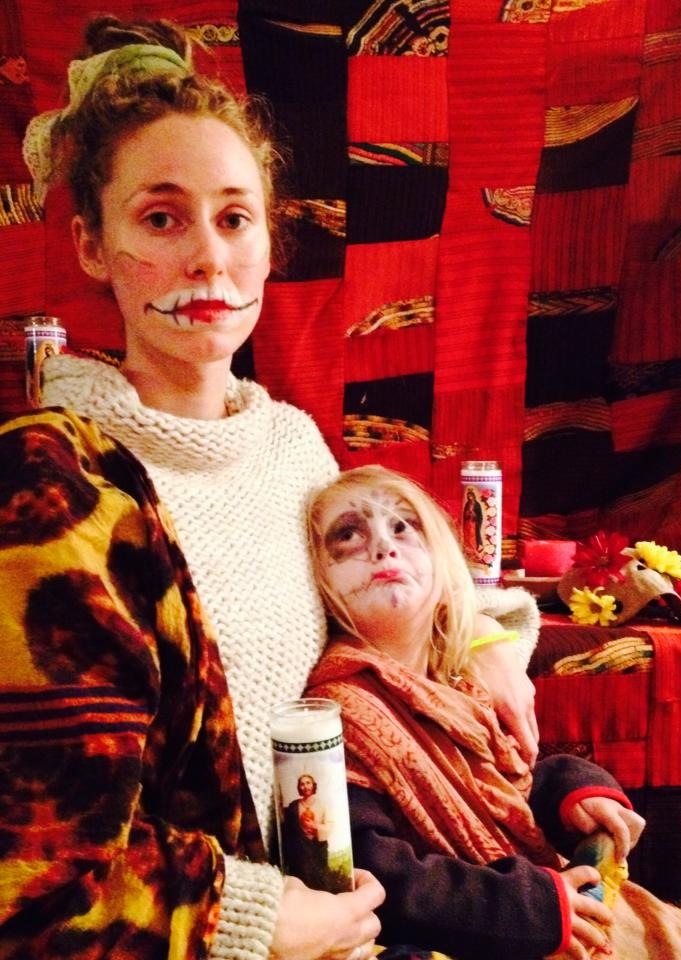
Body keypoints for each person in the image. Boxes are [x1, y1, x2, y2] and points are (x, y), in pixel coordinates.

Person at [1, 14, 536, 959]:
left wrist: (487, 643)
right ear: (90, 245)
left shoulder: (292, 447)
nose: (208, 257)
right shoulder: (55, 482)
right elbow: (35, 875)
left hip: (361, 906)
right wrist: (253, 919)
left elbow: (389, 595)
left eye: (234, 218)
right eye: (161, 218)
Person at [305, 465, 681, 960]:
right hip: (478, 932)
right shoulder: (343, 713)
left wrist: (573, 794)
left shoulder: (459, 676)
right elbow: (373, 870)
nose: (382, 547)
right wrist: (530, 908)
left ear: (442, 561)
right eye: (348, 534)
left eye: (402, 526)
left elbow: (506, 791)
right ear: (318, 579)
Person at [281, 774, 332, 890]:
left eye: (308, 783)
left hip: (317, 849)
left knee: (318, 881)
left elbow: (329, 825)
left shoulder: (322, 805)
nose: (305, 786)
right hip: (300, 851)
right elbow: (288, 828)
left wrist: (315, 827)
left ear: (313, 785)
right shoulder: (294, 806)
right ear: (299, 787)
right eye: (302, 784)